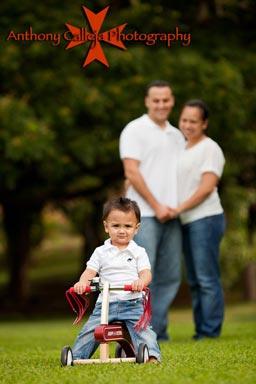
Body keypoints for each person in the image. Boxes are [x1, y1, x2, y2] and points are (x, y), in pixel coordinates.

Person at [119, 80, 185, 341]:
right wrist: (156, 206)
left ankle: (158, 331)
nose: (161, 105)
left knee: (169, 276)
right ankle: (138, 333)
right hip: (145, 214)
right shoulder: (134, 130)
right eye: (156, 100)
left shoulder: (177, 135)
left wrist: (175, 207)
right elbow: (131, 172)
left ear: (172, 101)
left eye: (165, 100)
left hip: (173, 214)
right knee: (142, 276)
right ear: (147, 101)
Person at [71, 197, 161, 363]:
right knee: (91, 330)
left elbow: (146, 273)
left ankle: (151, 356)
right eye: (116, 226)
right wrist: (83, 282)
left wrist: (141, 282)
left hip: (132, 303)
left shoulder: (138, 252)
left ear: (136, 228)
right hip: (105, 304)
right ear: (106, 226)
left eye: (128, 226)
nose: (122, 231)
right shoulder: (100, 252)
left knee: (144, 331)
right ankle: (76, 357)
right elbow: (90, 271)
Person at [171, 99, 226, 340]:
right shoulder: (181, 148)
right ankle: (200, 329)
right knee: (194, 279)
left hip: (205, 219)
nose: (187, 125)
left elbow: (206, 188)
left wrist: (179, 208)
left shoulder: (210, 148)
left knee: (206, 278)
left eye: (193, 121)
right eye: (184, 119)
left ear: (204, 123)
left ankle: (209, 331)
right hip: (186, 221)